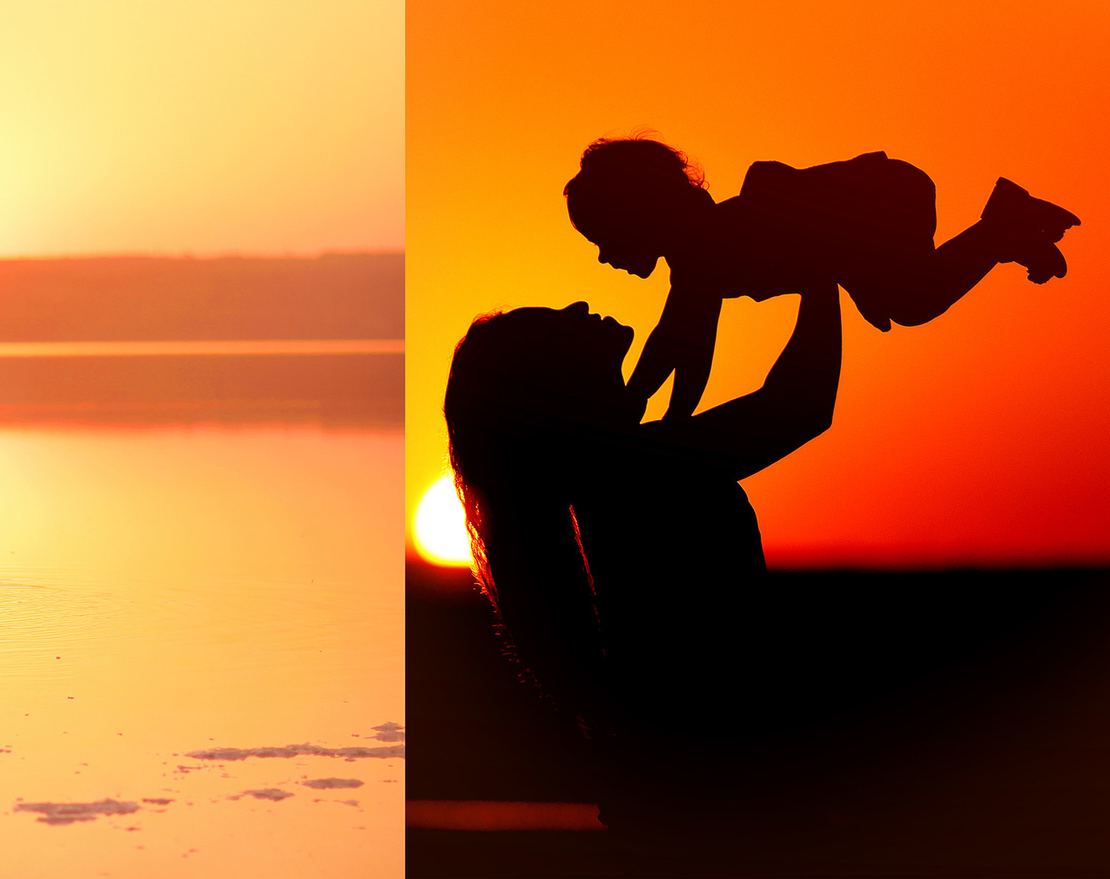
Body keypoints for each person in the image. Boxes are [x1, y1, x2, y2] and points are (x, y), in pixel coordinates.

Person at [444, 285, 843, 836]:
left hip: (696, 783)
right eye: (561, 319)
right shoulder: (637, 467)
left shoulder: (612, 462)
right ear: (552, 378)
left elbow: (681, 334)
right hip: (723, 790)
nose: (582, 306)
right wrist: (820, 280)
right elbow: (801, 405)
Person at [565, 136, 1077, 421]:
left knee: (912, 301)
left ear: (640, 218)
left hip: (880, 197)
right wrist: (637, 403)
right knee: (908, 297)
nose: (607, 259)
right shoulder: (698, 255)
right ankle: (1003, 223)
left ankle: (1001, 228)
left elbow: (692, 346)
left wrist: (668, 419)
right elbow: (674, 339)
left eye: (605, 240)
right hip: (878, 200)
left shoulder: (704, 250)